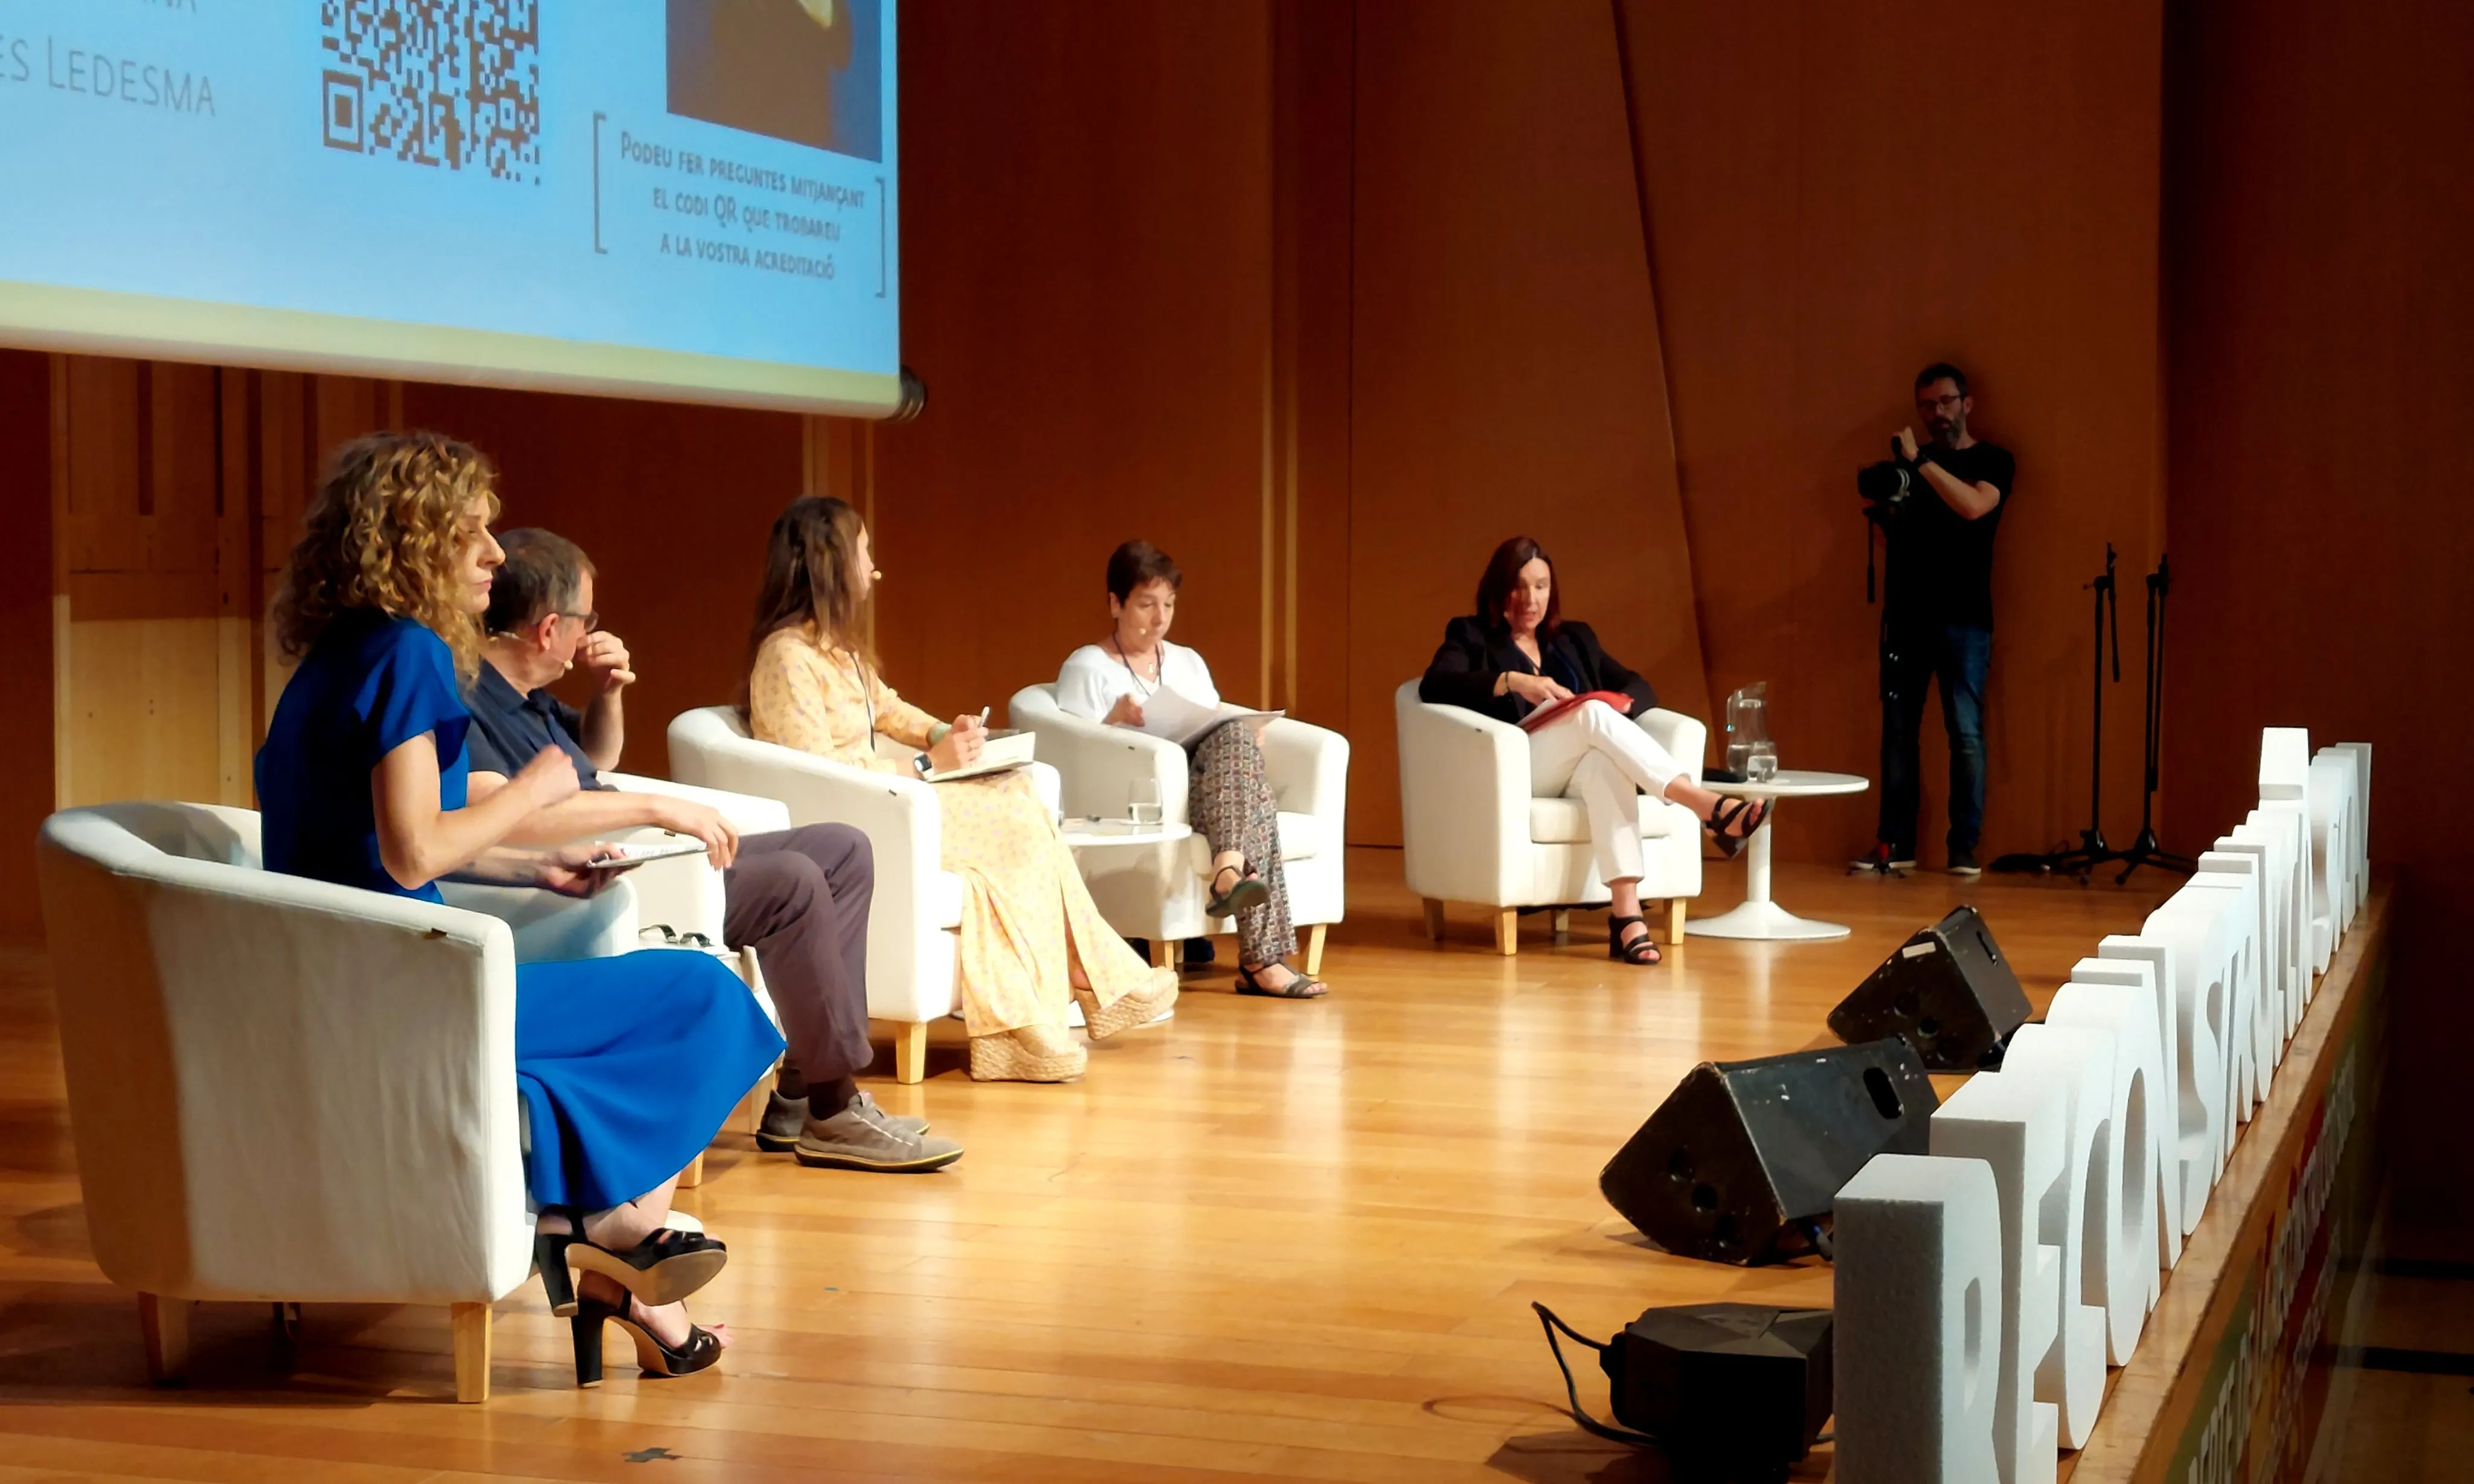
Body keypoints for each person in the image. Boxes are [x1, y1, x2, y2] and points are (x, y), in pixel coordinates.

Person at [254, 431, 782, 1386]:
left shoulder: (343, 653)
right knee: (708, 999)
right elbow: (417, 848)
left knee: (586, 1052)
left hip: (347, 990)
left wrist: (529, 872)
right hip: (409, 997)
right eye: (474, 535)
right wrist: (535, 791)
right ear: (411, 538)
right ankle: (618, 1238)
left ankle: (621, 1254)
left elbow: (378, 843)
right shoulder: (411, 653)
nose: (498, 557)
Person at [460, 528, 962, 1174]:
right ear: (549, 628)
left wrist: (608, 691)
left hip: (640, 857)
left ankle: (799, 1093)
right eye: (588, 621)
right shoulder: (466, 697)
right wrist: (657, 807)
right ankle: (834, 1111)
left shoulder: (527, 698)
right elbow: (501, 815)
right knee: (792, 880)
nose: (592, 635)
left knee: (843, 848)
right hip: (600, 881)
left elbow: (598, 760)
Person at [743, 496, 1180, 1082]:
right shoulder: (785, 657)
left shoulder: (835, 649)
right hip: (853, 824)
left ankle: (1045, 1008)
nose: (874, 568)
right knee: (1014, 819)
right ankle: (1080, 982)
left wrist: (945, 732)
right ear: (830, 563)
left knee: (1018, 797)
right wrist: (926, 765)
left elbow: (888, 707)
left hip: (893, 801)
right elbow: (819, 771)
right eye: (865, 552)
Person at [1419, 536, 1769, 966]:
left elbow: (1641, 686)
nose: (1531, 598)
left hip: (1576, 761)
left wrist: (1616, 704)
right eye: (1519, 586)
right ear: (1497, 589)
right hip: (1520, 765)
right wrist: (1513, 680)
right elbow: (1434, 684)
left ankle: (1627, 918)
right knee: (1590, 716)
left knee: (1604, 757)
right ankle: (1702, 804)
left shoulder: (1574, 639)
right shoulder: (1470, 635)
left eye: (1542, 586)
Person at [1055, 541, 1327, 999]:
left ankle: (1229, 869)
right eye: (1146, 604)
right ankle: (1261, 958)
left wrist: (1243, 734)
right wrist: (1114, 721)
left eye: (1169, 604)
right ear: (1115, 603)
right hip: (1147, 800)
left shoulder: (1187, 661)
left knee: (1236, 739)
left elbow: (1212, 717)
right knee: (1254, 798)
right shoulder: (1087, 667)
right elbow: (1074, 753)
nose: (1160, 618)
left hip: (1208, 795)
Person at [1857, 362, 2016, 877]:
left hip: (1966, 619)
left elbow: (1974, 507)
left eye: (1947, 401)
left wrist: (1921, 462)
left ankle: (1963, 850)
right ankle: (1896, 846)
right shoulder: (1912, 468)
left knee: (1965, 735)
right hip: (1907, 616)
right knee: (1898, 734)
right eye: (1928, 405)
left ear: (1967, 403)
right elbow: (1900, 537)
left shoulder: (1994, 459)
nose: (1937, 412)